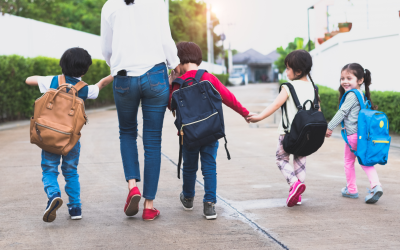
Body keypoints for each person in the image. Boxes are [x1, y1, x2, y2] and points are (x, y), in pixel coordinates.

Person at [101, 0, 181, 221]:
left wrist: (116, 65)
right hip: (155, 75)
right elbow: (166, 39)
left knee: (127, 132)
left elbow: (106, 49)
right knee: (152, 140)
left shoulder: (109, 6)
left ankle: (132, 187)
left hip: (124, 76)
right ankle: (149, 205)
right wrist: (174, 63)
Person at [25, 47, 113, 222]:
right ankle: (75, 208)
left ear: (62, 64)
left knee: (49, 169)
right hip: (70, 140)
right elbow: (101, 84)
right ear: (85, 69)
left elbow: (29, 80)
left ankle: (53, 195)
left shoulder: (52, 81)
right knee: (71, 172)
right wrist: (116, 73)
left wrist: (42, 78)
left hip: (49, 137)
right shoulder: (85, 89)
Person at [168, 42, 251, 220]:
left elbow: (171, 106)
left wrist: (170, 83)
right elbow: (228, 97)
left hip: (188, 135)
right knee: (209, 166)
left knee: (189, 167)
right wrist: (244, 113)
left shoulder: (177, 83)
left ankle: (188, 199)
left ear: (180, 60)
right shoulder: (208, 77)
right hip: (211, 131)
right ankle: (209, 205)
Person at [247, 50, 320, 207]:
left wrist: (259, 117)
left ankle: (294, 184)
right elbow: (317, 110)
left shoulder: (288, 87)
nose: (286, 72)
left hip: (288, 133)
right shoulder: (314, 88)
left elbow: (275, 105)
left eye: (288, 68)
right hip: (306, 134)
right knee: (300, 161)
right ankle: (298, 195)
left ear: (298, 71)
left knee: (281, 159)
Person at [325, 63, 383, 203]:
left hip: (353, 136)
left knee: (349, 162)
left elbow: (342, 112)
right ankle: (375, 185)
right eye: (342, 78)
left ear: (360, 80)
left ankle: (352, 189)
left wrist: (330, 126)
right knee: (366, 162)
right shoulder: (362, 95)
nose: (344, 81)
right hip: (362, 136)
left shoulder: (351, 95)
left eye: (349, 78)